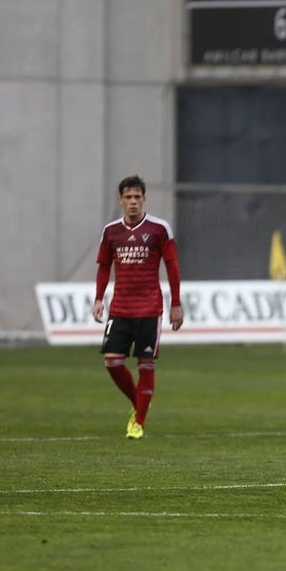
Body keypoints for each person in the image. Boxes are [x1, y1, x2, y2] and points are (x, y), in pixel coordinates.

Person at [92, 175, 183, 440]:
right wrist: (99, 298)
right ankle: (140, 401)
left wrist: (176, 303)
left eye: (137, 197)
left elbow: (172, 266)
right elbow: (104, 266)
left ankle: (138, 421)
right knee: (112, 362)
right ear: (121, 200)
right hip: (120, 308)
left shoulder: (159, 229)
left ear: (144, 199)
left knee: (146, 364)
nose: (133, 202)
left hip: (149, 309)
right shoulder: (111, 231)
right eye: (128, 197)